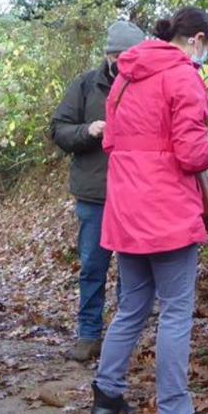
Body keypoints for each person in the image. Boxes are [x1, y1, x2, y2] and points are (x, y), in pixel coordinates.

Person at [89, 7, 208, 414]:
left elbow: (112, 141)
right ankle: (174, 411)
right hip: (166, 210)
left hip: (126, 209)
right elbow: (190, 155)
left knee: (132, 305)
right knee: (175, 312)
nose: (203, 55)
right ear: (198, 40)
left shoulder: (126, 78)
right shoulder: (183, 76)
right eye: (206, 47)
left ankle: (106, 394)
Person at [51, 21, 145, 363]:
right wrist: (87, 130)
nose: (125, 62)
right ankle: (88, 335)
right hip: (95, 196)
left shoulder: (147, 83)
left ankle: (123, 339)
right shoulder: (86, 85)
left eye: (132, 55)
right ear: (109, 55)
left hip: (136, 195)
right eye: (119, 56)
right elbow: (58, 130)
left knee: (132, 272)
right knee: (92, 266)